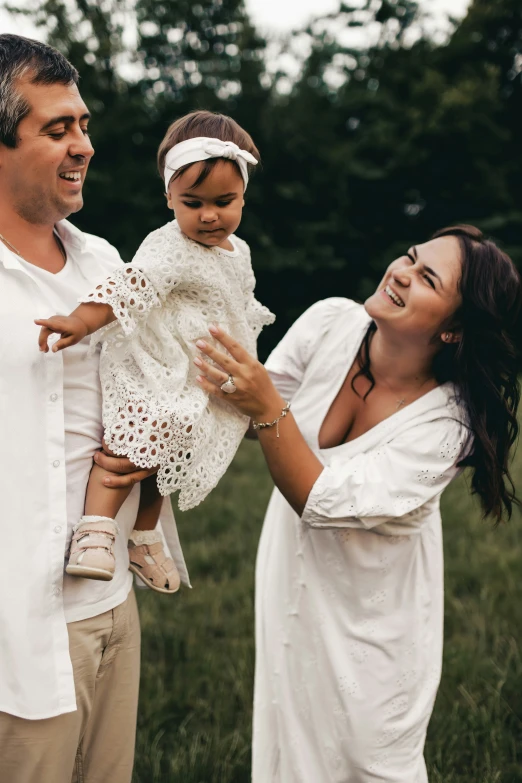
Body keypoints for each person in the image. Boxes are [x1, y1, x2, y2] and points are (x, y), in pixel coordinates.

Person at [192, 225, 521, 782]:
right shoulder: (331, 323)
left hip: (375, 629)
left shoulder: (446, 425)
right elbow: (260, 417)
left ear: (455, 330)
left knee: (372, 759)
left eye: (427, 278)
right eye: (411, 258)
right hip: (296, 591)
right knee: (292, 748)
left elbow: (317, 497)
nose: (401, 272)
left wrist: (266, 404)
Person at [0, 34, 189, 783]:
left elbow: (160, 382)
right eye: (57, 129)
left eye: (82, 124)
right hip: (13, 629)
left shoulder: (108, 266)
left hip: (112, 608)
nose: (83, 144)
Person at [37, 110, 274, 592]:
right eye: (193, 202)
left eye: (224, 202)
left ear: (244, 196)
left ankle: (144, 534)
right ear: (168, 196)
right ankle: (96, 531)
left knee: (172, 450)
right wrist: (82, 320)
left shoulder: (240, 250)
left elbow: (239, 303)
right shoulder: (168, 248)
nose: (209, 215)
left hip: (194, 366)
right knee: (140, 435)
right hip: (154, 362)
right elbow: (132, 286)